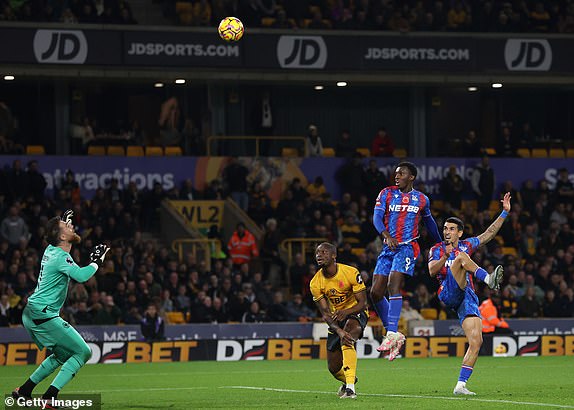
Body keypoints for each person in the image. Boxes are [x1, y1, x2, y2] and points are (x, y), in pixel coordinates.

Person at [11, 210, 109, 403]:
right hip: (43, 314)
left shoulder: (51, 249)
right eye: (68, 227)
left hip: (33, 312)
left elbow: (57, 238)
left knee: (61, 354)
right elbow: (81, 276)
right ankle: (49, 399)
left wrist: (63, 223)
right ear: (62, 236)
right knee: (83, 352)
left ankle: (24, 390)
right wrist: (97, 262)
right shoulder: (59, 258)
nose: (72, 226)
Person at [428, 192, 511, 396]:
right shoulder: (437, 249)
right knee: (461, 258)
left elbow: (488, 234)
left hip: (467, 296)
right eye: (445, 228)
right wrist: (445, 257)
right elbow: (431, 271)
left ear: (460, 233)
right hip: (447, 291)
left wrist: (504, 212)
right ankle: (488, 279)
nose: (446, 232)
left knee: (476, 341)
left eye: (451, 229)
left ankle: (460, 385)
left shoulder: (466, 244)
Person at [371, 162, 442, 361]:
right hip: (389, 246)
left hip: (408, 247)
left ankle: (391, 332)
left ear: (411, 177)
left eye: (401, 173)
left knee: (394, 283)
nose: (397, 176)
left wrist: (440, 244)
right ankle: (394, 334)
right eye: (396, 173)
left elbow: (430, 223)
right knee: (375, 292)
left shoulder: (421, 199)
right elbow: (376, 218)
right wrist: (385, 234)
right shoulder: (385, 193)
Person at [310, 242, 368, 399]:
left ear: (334, 256)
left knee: (348, 336)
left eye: (323, 252)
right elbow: (325, 313)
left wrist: (346, 312)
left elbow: (363, 303)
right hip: (336, 319)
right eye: (317, 253)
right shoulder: (315, 283)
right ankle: (350, 378)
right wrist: (338, 330)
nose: (319, 255)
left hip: (356, 312)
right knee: (334, 368)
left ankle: (350, 389)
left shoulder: (350, 272)